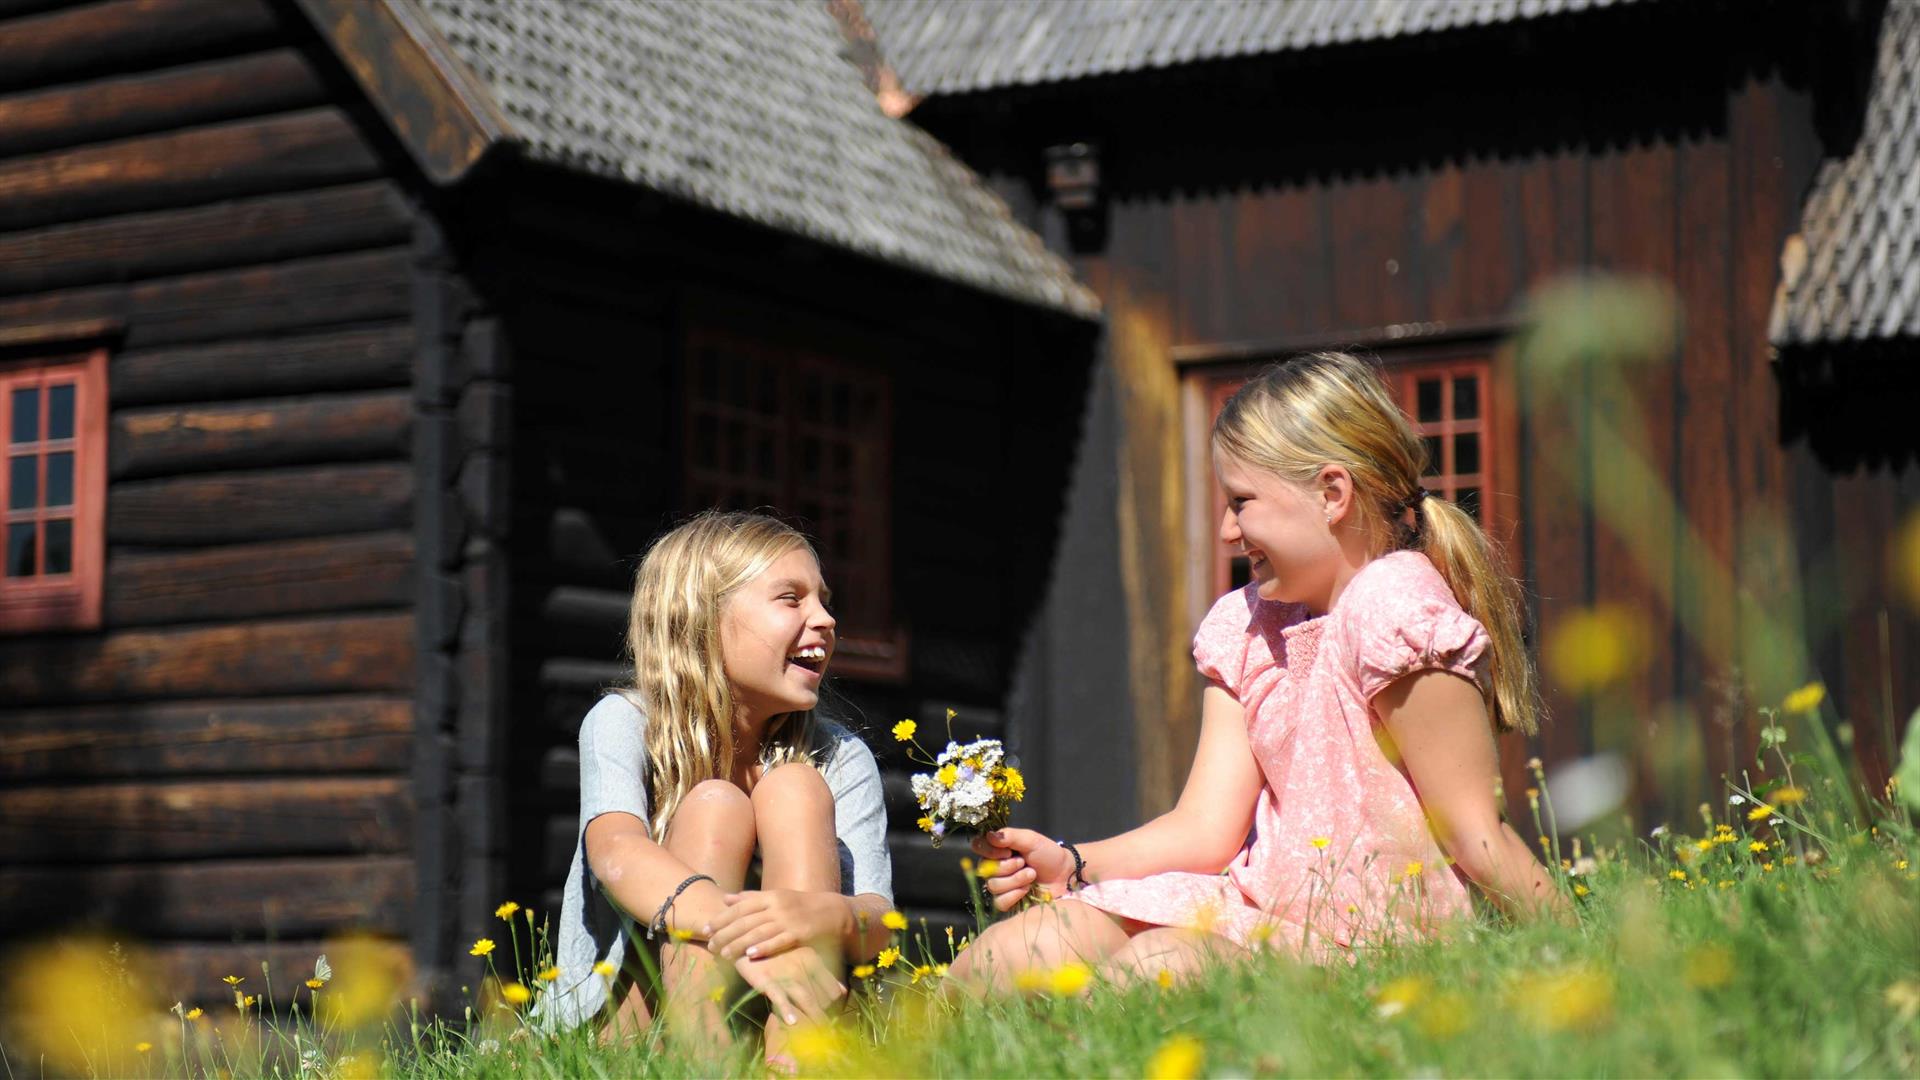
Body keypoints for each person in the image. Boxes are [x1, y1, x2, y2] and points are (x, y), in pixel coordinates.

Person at [952, 352, 1565, 991]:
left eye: (1241, 502)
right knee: (1005, 959)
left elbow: (1473, 832)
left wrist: (1587, 956)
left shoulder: (1395, 607)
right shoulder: (1247, 623)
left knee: (1154, 972)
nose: (1225, 531)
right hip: (1263, 918)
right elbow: (1204, 829)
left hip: (1378, 946)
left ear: (1332, 494)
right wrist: (1073, 865)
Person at [541, 511, 893, 1062]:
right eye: (791, 598)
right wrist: (744, 932)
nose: (825, 620)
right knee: (715, 807)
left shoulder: (841, 757)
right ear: (700, 617)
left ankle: (796, 1057)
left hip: (792, 1004)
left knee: (795, 789)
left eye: (825, 600)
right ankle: (704, 1064)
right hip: (640, 1026)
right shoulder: (624, 722)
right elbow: (614, 850)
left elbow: (881, 919)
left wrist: (816, 916)